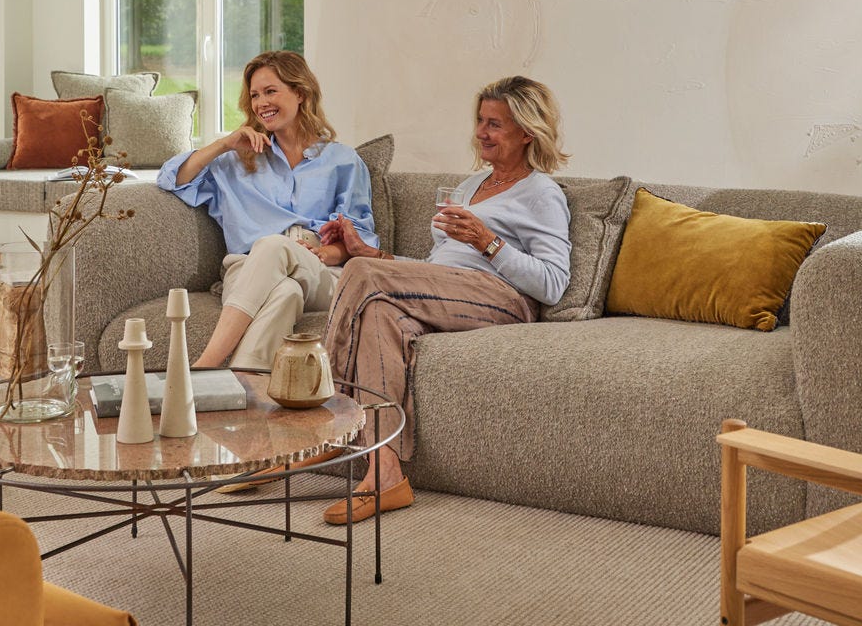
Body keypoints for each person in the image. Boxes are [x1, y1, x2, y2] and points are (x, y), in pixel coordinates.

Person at [319, 75, 572, 525]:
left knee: (360, 277)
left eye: (495, 124)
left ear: (527, 132)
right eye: (480, 121)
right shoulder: (472, 183)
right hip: (448, 290)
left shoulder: (542, 193)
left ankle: (323, 427)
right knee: (377, 310)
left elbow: (552, 283)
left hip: (500, 299)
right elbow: (436, 266)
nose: (481, 132)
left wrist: (488, 241)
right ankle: (385, 474)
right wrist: (374, 255)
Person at [157, 50, 380, 374]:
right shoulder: (237, 158)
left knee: (276, 247)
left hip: (318, 269)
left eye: (271, 91)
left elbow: (360, 237)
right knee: (285, 292)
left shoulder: (343, 160)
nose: (261, 103)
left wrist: (326, 252)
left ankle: (203, 369)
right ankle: (244, 394)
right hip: (248, 268)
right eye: (255, 95)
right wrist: (224, 144)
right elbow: (170, 180)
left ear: (300, 93)